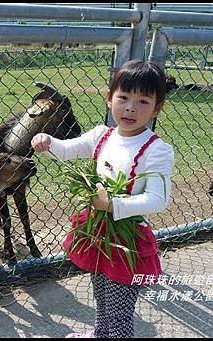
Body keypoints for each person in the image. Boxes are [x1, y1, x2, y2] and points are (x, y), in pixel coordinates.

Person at [31, 60, 175, 338]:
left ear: (157, 108)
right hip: (98, 231)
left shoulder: (156, 150)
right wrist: (46, 140)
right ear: (109, 99)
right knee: (101, 294)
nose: (131, 107)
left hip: (126, 240)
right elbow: (65, 150)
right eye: (123, 97)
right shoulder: (102, 135)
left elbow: (158, 199)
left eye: (143, 101)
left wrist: (112, 205)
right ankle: (99, 334)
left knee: (119, 314)